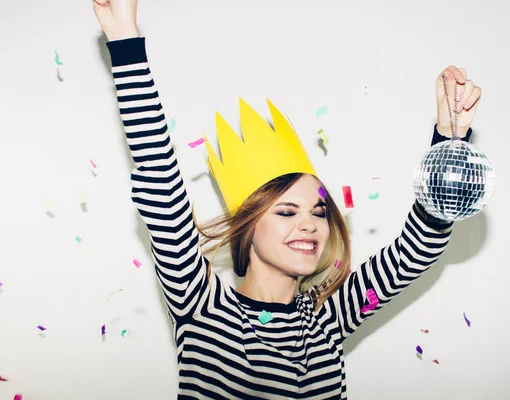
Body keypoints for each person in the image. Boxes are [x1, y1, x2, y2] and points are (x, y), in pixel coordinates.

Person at [92, 0, 482, 398]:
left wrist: (450, 142)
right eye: (286, 211)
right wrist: (125, 42)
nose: (311, 224)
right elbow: (160, 186)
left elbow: (416, 251)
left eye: (318, 211)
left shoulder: (328, 318)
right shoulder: (201, 308)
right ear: (249, 225)